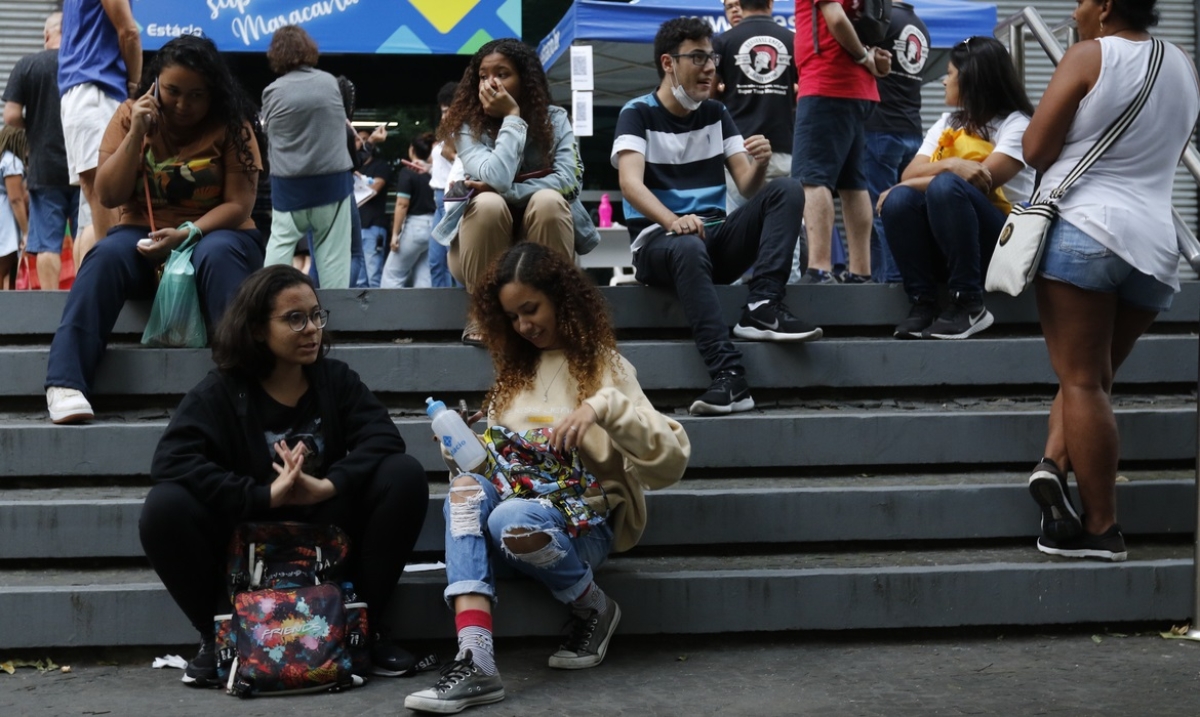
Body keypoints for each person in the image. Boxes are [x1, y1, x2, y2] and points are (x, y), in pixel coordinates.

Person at [404, 242, 689, 714]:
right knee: (464, 492)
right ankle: (475, 660)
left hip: (583, 524)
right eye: (512, 316)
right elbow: (495, 474)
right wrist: (463, 452)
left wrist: (602, 408)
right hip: (515, 510)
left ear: (562, 298)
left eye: (531, 309)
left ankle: (593, 605)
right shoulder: (514, 373)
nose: (523, 326)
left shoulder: (606, 367)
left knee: (513, 519)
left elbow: (671, 462)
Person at [140, 264, 430, 686]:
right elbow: (171, 460)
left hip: (324, 524)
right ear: (258, 329)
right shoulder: (221, 391)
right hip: (248, 531)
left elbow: (382, 438)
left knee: (402, 475)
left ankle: (361, 629)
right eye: (294, 318)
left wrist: (328, 486)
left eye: (316, 315)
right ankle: (221, 635)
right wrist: (261, 495)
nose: (311, 328)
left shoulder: (334, 380)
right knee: (164, 507)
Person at [1021, 0, 1199, 561]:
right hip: (1154, 246)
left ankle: (1102, 529)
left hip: (1086, 230)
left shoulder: (1087, 57)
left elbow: (1035, 150)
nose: (1073, 9)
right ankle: (1052, 463)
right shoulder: (1183, 65)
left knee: (1081, 381)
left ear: (1102, 5)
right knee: (1093, 378)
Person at [43, 35, 266, 424]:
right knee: (106, 256)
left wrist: (187, 234)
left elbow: (239, 204)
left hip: (219, 236)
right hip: (142, 237)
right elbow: (109, 195)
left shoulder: (233, 124)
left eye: (197, 95)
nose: (183, 105)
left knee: (216, 252)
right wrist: (135, 136)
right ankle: (66, 382)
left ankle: (245, 381)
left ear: (213, 92)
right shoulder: (130, 114)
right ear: (155, 84)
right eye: (173, 91)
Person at [613, 17, 820, 417]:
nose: (710, 67)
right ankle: (729, 376)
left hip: (712, 242)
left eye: (711, 57)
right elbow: (630, 185)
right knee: (687, 245)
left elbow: (746, 186)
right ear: (668, 63)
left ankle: (763, 302)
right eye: (698, 57)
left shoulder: (716, 113)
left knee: (787, 188)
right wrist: (673, 221)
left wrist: (760, 163)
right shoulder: (636, 113)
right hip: (660, 247)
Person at [431, 38, 596, 345]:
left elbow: (570, 182)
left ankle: (557, 312)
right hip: (479, 250)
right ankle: (484, 314)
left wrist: (512, 189)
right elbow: (496, 175)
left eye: (502, 74)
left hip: (542, 238)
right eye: (483, 76)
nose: (491, 83)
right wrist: (513, 118)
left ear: (525, 79)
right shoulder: (468, 127)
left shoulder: (555, 119)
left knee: (548, 201)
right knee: (489, 204)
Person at [878, 36, 1034, 340]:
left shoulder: (1017, 126)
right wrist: (950, 165)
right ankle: (923, 303)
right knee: (900, 200)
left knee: (947, 187)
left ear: (973, 78)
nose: (944, 81)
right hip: (951, 241)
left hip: (1001, 244)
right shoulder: (948, 122)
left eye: (950, 73)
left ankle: (968, 303)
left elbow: (981, 180)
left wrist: (943, 176)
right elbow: (909, 174)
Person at [792, 0, 891, 284]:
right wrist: (866, 60)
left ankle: (819, 268)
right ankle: (860, 271)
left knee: (812, 178)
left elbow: (835, 18)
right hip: (858, 90)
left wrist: (862, 57)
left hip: (827, 83)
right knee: (853, 183)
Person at [260, 26, 354, 289]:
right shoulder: (330, 83)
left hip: (289, 187)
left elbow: (270, 135)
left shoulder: (272, 91)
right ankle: (337, 321)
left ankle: (269, 304)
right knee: (333, 258)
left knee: (279, 248)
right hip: (332, 184)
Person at [58, 0, 140, 267]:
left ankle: (108, 276)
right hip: (96, 91)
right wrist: (135, 84)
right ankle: (111, 276)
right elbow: (129, 31)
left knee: (97, 196)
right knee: (101, 195)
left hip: (86, 91)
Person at [3, 12, 80, 291]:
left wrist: (33, 123)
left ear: (47, 35)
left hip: (45, 169)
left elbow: (10, 116)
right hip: (83, 165)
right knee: (85, 232)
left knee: (49, 244)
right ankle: (85, 298)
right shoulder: (83, 63)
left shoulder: (28, 65)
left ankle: (51, 305)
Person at [862, 1, 930, 284]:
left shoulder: (882, 17)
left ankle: (892, 283)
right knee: (908, 212)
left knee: (881, 212)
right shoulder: (922, 27)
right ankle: (897, 279)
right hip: (912, 128)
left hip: (881, 127)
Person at [712, 0, 797, 211]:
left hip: (738, 150)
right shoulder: (792, 40)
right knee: (783, 228)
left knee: (739, 230)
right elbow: (807, 88)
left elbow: (708, 92)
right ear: (771, 3)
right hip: (782, 146)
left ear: (741, 4)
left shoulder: (723, 41)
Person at [382, 133, 436, 288]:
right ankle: (422, 312)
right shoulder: (434, 173)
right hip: (433, 226)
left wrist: (395, 234)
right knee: (424, 277)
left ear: (411, 150)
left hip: (415, 227)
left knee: (392, 275)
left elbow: (402, 204)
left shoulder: (408, 172)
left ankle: (390, 312)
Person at [428, 81, 461, 288]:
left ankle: (459, 314)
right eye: (442, 111)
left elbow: (468, 166)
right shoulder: (446, 133)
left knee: (454, 263)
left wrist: (452, 156)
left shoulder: (465, 134)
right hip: (439, 200)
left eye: (447, 111)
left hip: (452, 199)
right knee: (435, 261)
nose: (444, 116)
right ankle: (439, 314)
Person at [357, 126, 393, 288]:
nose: (362, 143)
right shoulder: (353, 167)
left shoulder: (381, 166)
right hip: (355, 227)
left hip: (373, 227)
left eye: (366, 139)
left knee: (373, 277)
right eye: (358, 140)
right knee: (358, 280)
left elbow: (374, 190)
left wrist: (359, 181)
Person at [0, 127, 28, 289]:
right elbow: (16, 199)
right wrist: (26, 231)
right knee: (5, 265)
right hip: (5, 220)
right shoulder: (11, 162)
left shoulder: (2, 158)